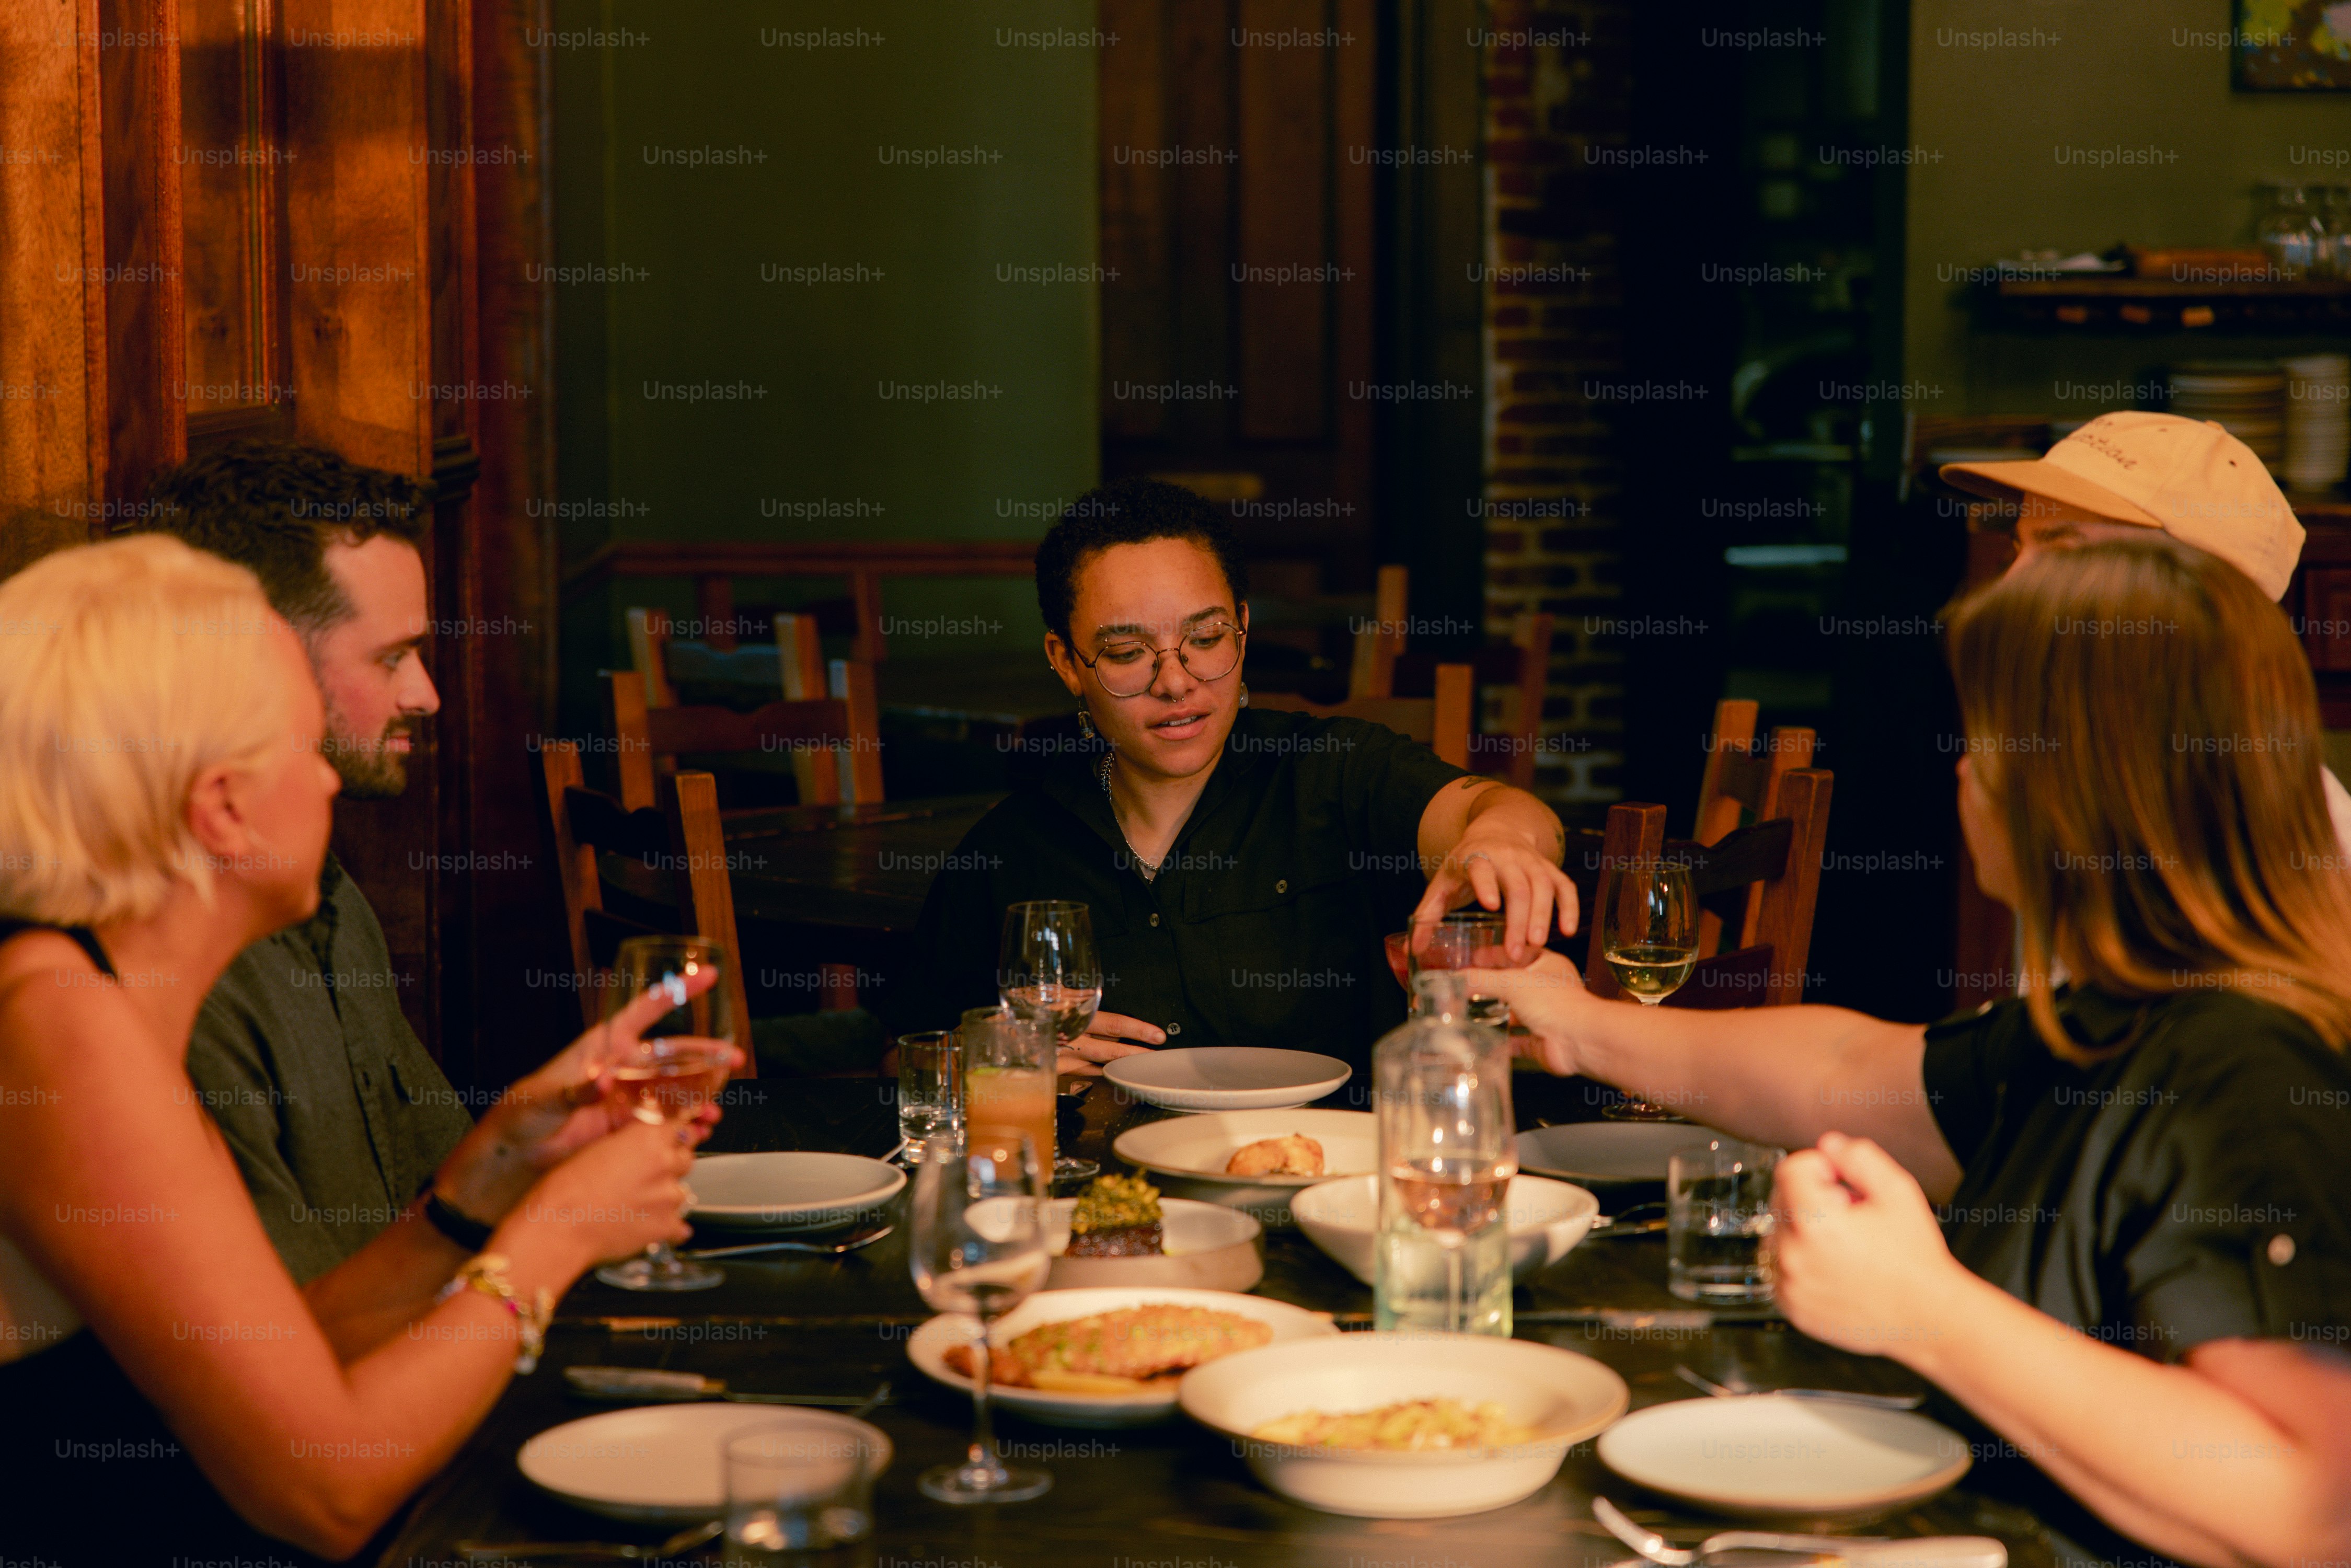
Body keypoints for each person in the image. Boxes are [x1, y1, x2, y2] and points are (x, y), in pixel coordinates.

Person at [1479, 537, 2351, 1568]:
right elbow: (1845, 1074)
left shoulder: (2249, 1071)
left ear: (2087, 778)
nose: (1965, 768)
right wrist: (1575, 1021)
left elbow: (2311, 1509)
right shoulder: (2121, 1016)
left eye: (1990, 735)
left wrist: (1923, 1310)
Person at [0, 535, 736, 1563]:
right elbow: (328, 1487)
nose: (327, 784)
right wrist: (557, 1236)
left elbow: (290, 1363)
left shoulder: (83, 992)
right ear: (221, 807)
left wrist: (487, 1181)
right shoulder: (60, 1027)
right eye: (306, 749)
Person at [892, 478, 1579, 1074]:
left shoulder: (1332, 773)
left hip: (1334, 1173)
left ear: (1242, 628)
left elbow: (1504, 812)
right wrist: (1000, 1056)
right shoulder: (1015, 848)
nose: (1176, 681)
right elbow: (903, 1052)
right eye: (1127, 651)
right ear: (1067, 662)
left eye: (1206, 639)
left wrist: (1502, 841)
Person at [146, 441, 472, 1279]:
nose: (425, 695)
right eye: (391, 657)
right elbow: (296, 1335)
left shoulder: (329, 891)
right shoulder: (169, 965)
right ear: (263, 662)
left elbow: (446, 1183)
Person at [1941, 408, 2351, 850]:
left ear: (2193, 598)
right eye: (2018, 548)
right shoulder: (2058, 762)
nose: (2012, 581)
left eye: (2062, 553)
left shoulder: (2300, 847)